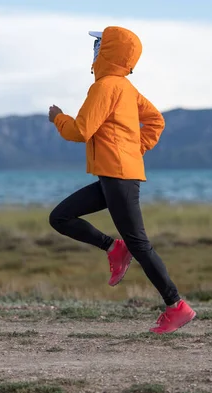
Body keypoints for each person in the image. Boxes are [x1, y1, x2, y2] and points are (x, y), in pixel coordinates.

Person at [47, 26, 196, 334]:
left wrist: (58, 118)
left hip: (119, 176)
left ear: (107, 52)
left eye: (98, 45)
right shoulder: (126, 88)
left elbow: (80, 131)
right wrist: (133, 150)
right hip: (114, 175)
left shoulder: (105, 88)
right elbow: (156, 120)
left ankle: (176, 306)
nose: (94, 50)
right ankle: (113, 248)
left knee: (140, 245)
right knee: (60, 216)